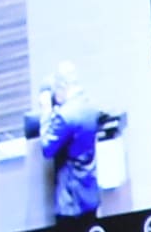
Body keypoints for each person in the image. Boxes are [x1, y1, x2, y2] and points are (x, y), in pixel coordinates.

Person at [30, 71, 105, 219]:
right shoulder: (89, 107)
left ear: (62, 86)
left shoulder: (65, 115)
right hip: (89, 193)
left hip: (71, 200)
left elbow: (47, 148)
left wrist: (45, 112)